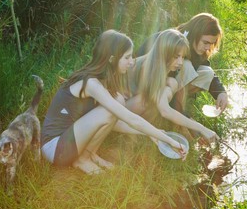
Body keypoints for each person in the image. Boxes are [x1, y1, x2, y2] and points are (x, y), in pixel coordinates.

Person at [41, 29, 187, 175]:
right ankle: (82, 160)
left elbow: (114, 122)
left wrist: (151, 134)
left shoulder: (103, 80)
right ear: (112, 59)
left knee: (118, 99)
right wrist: (168, 139)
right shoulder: (92, 83)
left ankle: (90, 154)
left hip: (69, 140)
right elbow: (129, 118)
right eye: (127, 57)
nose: (131, 62)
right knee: (110, 109)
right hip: (55, 149)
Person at [127, 29, 219, 143]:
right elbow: (165, 111)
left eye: (182, 57)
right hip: (119, 110)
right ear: (164, 52)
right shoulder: (148, 68)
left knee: (172, 83)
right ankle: (137, 133)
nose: (180, 62)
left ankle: (146, 128)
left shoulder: (160, 65)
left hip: (130, 105)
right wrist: (201, 127)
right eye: (176, 57)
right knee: (147, 100)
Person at [137, 13, 228, 115]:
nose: (208, 48)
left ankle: (173, 102)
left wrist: (221, 92)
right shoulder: (176, 41)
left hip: (167, 83)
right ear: (195, 34)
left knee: (207, 73)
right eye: (205, 42)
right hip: (145, 81)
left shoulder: (194, 45)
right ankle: (172, 107)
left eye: (211, 43)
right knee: (187, 66)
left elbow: (205, 66)